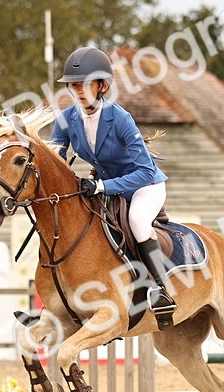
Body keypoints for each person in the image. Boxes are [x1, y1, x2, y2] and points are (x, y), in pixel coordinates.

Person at [50, 46, 175, 325]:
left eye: (84, 84)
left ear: (102, 85)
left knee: (138, 221)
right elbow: (55, 160)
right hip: (103, 185)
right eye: (73, 85)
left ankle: (160, 288)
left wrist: (102, 187)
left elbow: (144, 170)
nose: (78, 90)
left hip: (145, 185)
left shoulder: (120, 118)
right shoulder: (66, 119)